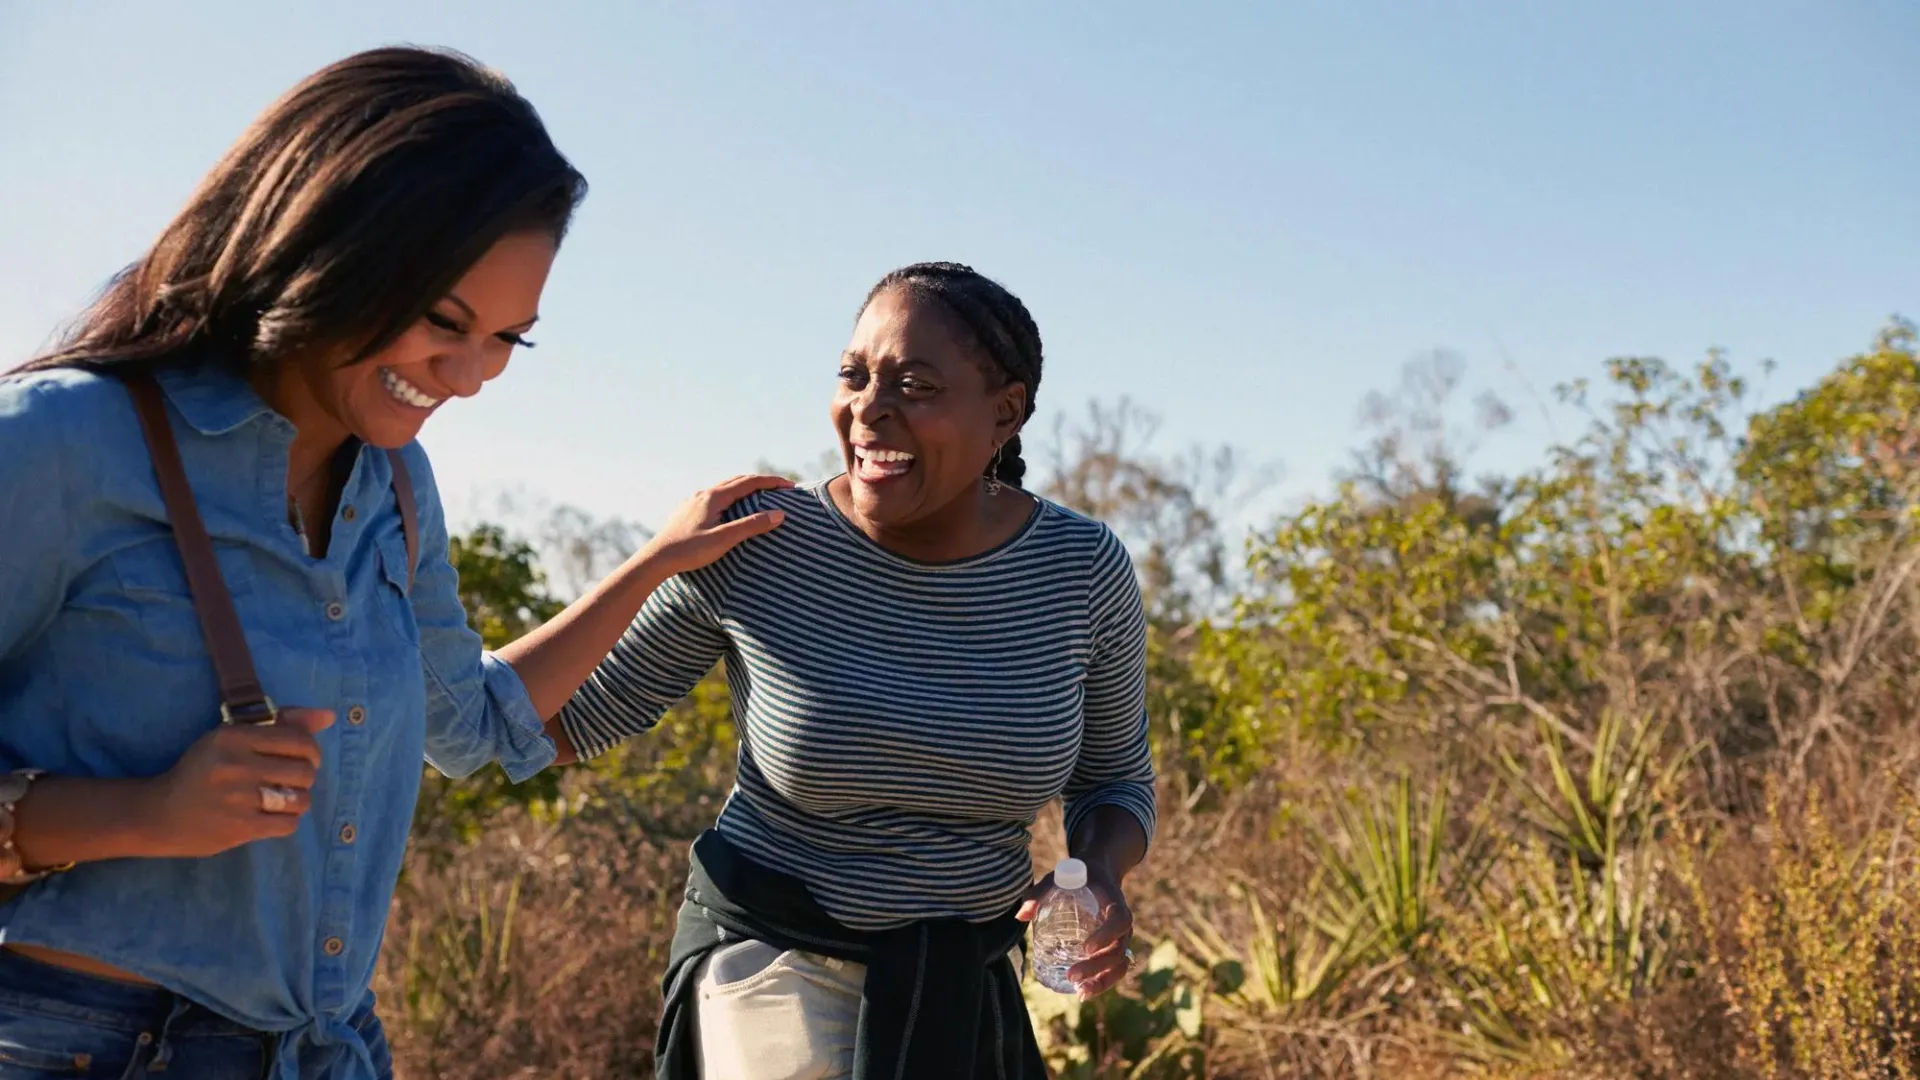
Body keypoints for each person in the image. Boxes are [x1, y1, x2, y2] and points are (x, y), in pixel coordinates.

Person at [0, 47, 787, 1079]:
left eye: (511, 339)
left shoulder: (398, 489)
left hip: (324, 1051)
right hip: (78, 1042)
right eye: (440, 322)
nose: (466, 378)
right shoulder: (65, 443)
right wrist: (137, 814)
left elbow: (469, 725)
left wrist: (654, 565)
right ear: (327, 250)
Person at [551, 261, 1157, 1079]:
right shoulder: (761, 542)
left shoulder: (1079, 570)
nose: (871, 410)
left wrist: (1100, 874)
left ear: (1005, 414)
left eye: (916, 385)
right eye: (855, 375)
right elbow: (566, 720)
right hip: (773, 957)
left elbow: (1114, 783)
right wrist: (374, 675)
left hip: (962, 985)